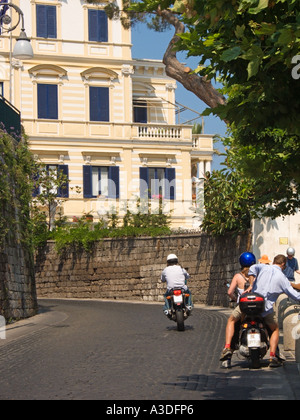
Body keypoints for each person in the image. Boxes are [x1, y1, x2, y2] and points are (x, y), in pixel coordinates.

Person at [246, 254, 300, 367]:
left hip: (250, 304)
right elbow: (294, 295)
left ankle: (228, 347)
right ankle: (272, 356)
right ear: (283, 264)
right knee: (274, 329)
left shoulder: (263, 267)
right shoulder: (282, 278)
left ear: (274, 261)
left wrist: (251, 285)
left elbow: (251, 269)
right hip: (265, 309)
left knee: (233, 319)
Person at [220, 252, 256, 362]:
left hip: (243, 306)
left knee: (231, 321)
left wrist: (236, 299)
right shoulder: (256, 274)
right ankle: (275, 350)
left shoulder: (238, 276)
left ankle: (227, 347)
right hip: (256, 305)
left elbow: (230, 292)